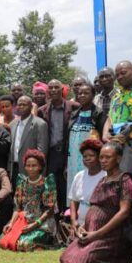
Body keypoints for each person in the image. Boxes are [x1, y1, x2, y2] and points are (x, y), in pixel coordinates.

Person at [60, 142, 132, 263]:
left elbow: (124, 212)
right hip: (91, 233)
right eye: (101, 157)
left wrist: (97, 234)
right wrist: (82, 227)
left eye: (108, 157)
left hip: (109, 235)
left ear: (118, 158)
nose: (103, 161)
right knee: (65, 257)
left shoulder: (124, 180)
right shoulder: (103, 180)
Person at [0, 149, 57, 251]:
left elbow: (49, 210)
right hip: (23, 220)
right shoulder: (22, 182)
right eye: (28, 165)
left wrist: (34, 224)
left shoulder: (47, 183)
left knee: (23, 244)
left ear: (40, 166)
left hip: (41, 223)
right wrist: (11, 223)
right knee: (2, 241)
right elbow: (17, 207)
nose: (30, 168)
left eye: (34, 165)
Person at [38, 79, 80, 213]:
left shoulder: (74, 107)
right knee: (52, 187)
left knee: (68, 186)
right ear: (47, 91)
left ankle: (68, 217)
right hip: (51, 154)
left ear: (62, 90)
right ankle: (54, 217)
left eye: (57, 87)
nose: (54, 90)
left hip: (69, 152)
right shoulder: (42, 110)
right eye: (51, 88)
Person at [102, 61, 132, 174]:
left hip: (131, 145)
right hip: (113, 144)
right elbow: (110, 117)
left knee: (126, 180)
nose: (120, 77)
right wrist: (105, 135)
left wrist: (127, 135)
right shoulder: (116, 95)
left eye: (123, 73)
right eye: (117, 75)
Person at [66, 83, 107, 198]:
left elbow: (102, 139)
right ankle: (73, 212)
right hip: (73, 159)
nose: (82, 95)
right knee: (75, 186)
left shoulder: (99, 114)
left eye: (86, 93)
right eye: (80, 93)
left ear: (93, 95)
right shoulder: (74, 114)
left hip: (91, 159)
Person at [7, 96, 48, 188]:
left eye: (24, 105)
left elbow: (41, 150)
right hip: (14, 167)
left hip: (31, 169)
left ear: (31, 106)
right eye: (19, 105)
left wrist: (37, 170)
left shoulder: (40, 124)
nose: (21, 107)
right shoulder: (13, 123)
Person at [67, 139, 106, 229]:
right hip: (79, 225)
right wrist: (73, 221)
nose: (87, 158)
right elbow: (74, 200)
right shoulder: (79, 176)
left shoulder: (106, 177)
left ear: (99, 157)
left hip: (98, 226)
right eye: (85, 156)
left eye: (91, 155)